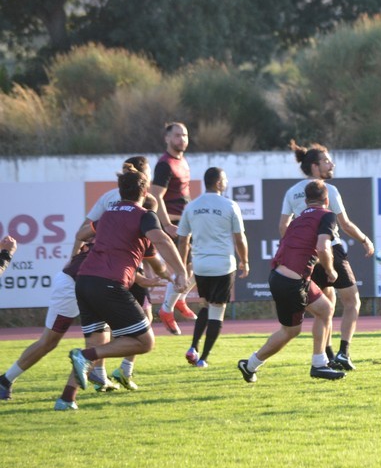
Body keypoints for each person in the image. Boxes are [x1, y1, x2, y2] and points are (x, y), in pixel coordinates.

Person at [0, 158, 165, 402]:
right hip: (75, 282)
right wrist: (172, 273)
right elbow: (86, 235)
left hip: (89, 280)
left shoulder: (116, 217)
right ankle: (5, 380)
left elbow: (97, 244)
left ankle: (70, 395)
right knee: (50, 341)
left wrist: (144, 278)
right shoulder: (130, 215)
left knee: (99, 341)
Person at [61, 164, 187, 410]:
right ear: (145, 191)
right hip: (108, 284)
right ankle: (86, 358)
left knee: (96, 344)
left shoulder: (108, 215)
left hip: (84, 281)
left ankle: (66, 399)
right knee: (145, 342)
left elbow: (83, 233)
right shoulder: (144, 216)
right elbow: (161, 240)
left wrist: (164, 277)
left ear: (120, 191)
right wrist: (181, 272)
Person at [279, 141, 374, 371]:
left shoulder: (292, 191)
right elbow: (345, 224)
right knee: (352, 302)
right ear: (315, 166)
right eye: (327, 161)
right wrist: (364, 239)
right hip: (330, 249)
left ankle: (326, 355)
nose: (332, 164)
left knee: (326, 306)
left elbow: (283, 226)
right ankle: (343, 353)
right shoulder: (327, 189)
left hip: (309, 257)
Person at [238, 180, 345, 383]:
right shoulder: (327, 215)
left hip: (286, 277)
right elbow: (323, 247)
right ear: (327, 200)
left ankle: (319, 363)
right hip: (291, 282)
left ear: (305, 201)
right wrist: (331, 271)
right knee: (290, 331)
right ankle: (250, 364)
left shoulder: (297, 219)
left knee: (325, 309)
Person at [176, 167, 249, 368]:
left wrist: (181, 266)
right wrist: (245, 261)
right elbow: (239, 238)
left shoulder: (192, 206)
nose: (226, 182)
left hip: (200, 266)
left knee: (205, 305)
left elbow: (183, 240)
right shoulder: (230, 205)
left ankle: (193, 347)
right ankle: (203, 359)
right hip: (223, 265)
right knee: (217, 311)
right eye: (224, 179)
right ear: (218, 183)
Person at [151, 121, 198, 334]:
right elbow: (155, 196)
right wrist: (166, 224)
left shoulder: (183, 161)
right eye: (177, 135)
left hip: (186, 222)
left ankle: (178, 300)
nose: (182, 139)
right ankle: (167, 309)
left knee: (196, 266)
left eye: (185, 135)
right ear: (167, 138)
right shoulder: (165, 164)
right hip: (174, 223)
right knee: (185, 269)